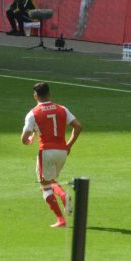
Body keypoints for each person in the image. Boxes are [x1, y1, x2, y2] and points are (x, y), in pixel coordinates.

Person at [20, 82, 82, 228]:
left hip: (46, 151)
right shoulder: (62, 109)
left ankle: (61, 217)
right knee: (51, 180)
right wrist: (69, 145)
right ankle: (63, 197)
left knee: (45, 186)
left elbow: (24, 137)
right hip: (62, 152)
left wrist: (28, 140)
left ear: (35, 96)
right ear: (49, 94)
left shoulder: (33, 113)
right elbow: (78, 126)